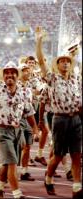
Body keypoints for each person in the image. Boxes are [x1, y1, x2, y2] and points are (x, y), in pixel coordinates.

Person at [0, 61, 39, 199]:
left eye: (13, 73)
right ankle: (17, 194)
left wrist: (35, 128)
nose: (10, 75)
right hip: (2, 131)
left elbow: (29, 112)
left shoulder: (24, 92)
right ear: (3, 76)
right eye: (7, 73)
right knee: (12, 163)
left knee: (7, 163)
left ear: (17, 75)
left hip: (17, 130)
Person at [36, 26, 82, 198]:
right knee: (58, 155)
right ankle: (48, 178)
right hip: (60, 119)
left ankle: (77, 187)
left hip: (75, 119)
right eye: (62, 61)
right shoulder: (52, 78)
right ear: (58, 64)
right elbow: (41, 61)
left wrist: (77, 51)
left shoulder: (76, 78)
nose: (65, 63)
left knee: (77, 154)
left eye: (68, 61)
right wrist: (39, 40)